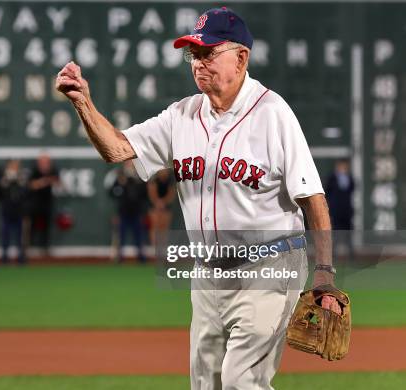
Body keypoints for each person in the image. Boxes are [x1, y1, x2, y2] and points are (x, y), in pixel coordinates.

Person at [56, 7, 343, 389]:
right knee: (206, 383)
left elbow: (313, 198)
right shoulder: (182, 115)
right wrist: (82, 103)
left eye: (209, 53)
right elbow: (118, 150)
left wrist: (324, 273)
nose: (198, 63)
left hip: (270, 266)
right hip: (207, 272)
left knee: (243, 382)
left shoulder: (274, 115)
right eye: (194, 54)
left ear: (241, 58)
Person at [0, 159, 27, 264]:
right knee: (5, 235)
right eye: (12, 165)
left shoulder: (22, 177)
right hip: (7, 210)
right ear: (8, 166)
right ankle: (4, 258)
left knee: (20, 237)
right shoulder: (3, 178)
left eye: (16, 165)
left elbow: (25, 192)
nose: (14, 167)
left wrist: (18, 182)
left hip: (19, 211)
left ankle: (21, 257)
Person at [109, 161, 148, 263]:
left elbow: (144, 193)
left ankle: (141, 257)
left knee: (138, 235)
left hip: (136, 211)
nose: (129, 164)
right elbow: (113, 193)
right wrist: (121, 185)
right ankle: (120, 257)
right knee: (121, 235)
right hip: (123, 211)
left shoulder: (139, 176)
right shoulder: (120, 176)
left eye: (131, 162)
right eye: (127, 162)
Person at [28, 154, 59, 256]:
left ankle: (45, 248)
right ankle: (30, 248)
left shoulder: (53, 171)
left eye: (47, 161)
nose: (45, 163)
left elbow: (59, 184)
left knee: (46, 227)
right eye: (43, 161)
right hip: (35, 203)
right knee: (32, 226)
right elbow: (31, 185)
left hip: (47, 203)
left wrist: (52, 181)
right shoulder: (34, 171)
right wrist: (44, 182)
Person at [325, 159, 355, 259]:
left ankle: (351, 255)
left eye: (345, 166)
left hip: (347, 211)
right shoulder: (331, 178)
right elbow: (327, 193)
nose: (343, 168)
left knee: (349, 233)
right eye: (341, 166)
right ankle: (332, 255)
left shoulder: (349, 178)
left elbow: (352, 190)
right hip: (335, 211)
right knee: (335, 234)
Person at [147, 168, 176, 247]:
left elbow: (171, 194)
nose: (163, 172)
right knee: (154, 226)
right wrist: (158, 203)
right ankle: (154, 247)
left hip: (166, 206)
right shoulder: (154, 180)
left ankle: (163, 246)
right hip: (154, 206)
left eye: (165, 170)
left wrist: (164, 202)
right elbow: (152, 193)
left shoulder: (170, 181)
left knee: (164, 227)